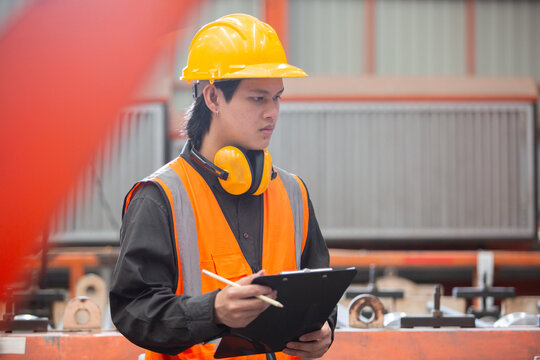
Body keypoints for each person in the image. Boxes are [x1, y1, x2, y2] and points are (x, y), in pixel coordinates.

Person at [110, 13, 335, 360]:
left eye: (277, 98)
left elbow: (320, 292)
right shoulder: (159, 198)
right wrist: (212, 311)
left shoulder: (294, 194)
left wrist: (325, 331)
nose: (272, 113)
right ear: (213, 98)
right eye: (258, 99)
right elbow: (134, 311)